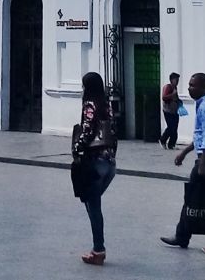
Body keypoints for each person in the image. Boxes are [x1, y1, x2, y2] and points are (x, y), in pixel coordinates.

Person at [162, 72, 205, 248]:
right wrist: (184, 152)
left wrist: (202, 163)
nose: (189, 88)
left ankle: (182, 236)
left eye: (193, 85)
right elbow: (202, 135)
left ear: (203, 87)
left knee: (192, 195)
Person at [73, 71, 117, 266]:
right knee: (93, 203)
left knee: (93, 206)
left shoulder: (90, 105)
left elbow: (88, 130)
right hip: (109, 162)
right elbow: (112, 132)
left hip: (94, 162)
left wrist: (77, 147)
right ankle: (98, 248)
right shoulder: (107, 105)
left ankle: (98, 249)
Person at [160, 72, 182, 149]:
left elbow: (176, 98)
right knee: (171, 127)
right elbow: (164, 97)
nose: (178, 81)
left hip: (174, 110)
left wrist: (179, 101)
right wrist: (172, 94)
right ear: (172, 80)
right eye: (176, 80)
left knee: (175, 128)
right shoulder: (168, 87)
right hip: (168, 110)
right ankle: (163, 139)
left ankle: (171, 144)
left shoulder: (175, 88)